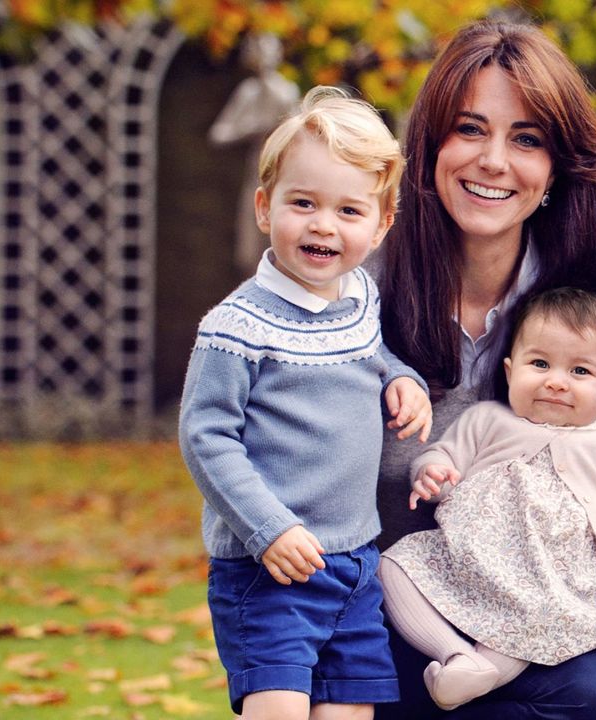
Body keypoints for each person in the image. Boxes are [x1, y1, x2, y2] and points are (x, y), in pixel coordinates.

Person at [372, 19, 596, 720]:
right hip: (382, 611)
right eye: (469, 129)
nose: (493, 161)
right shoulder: (363, 293)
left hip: (539, 628)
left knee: (591, 688)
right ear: (429, 149)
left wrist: (568, 578)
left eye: (526, 140)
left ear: (554, 171)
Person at [179, 85, 433, 720]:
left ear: (381, 225)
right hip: (271, 569)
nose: (324, 224)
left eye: (350, 211)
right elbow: (206, 436)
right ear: (264, 208)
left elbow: (375, 362)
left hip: (354, 565)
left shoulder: (361, 303)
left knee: (350, 710)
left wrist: (404, 381)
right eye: (304, 203)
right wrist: (269, 528)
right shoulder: (235, 327)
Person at [378, 287, 596, 711]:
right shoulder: (487, 420)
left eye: (579, 372)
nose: (556, 380)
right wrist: (432, 473)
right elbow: (444, 457)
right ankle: (456, 657)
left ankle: (483, 670)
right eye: (539, 364)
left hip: (556, 581)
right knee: (391, 567)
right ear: (509, 369)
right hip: (470, 564)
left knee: (541, 617)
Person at [208, 33, 301, 276]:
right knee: (250, 243)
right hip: (257, 171)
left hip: (286, 171)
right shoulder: (248, 92)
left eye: (269, 48)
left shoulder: (286, 91)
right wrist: (251, 127)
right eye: (259, 49)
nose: (264, 55)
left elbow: (299, 133)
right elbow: (219, 133)